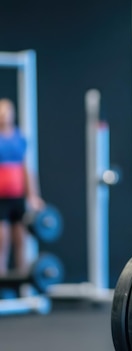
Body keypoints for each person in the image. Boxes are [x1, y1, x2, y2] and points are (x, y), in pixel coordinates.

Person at [0, 98, 44, 277]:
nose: (5, 114)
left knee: (21, 240)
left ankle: (23, 285)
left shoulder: (20, 138)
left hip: (17, 198)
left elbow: (27, 170)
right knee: (2, 241)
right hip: (1, 199)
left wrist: (33, 195)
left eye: (8, 111)